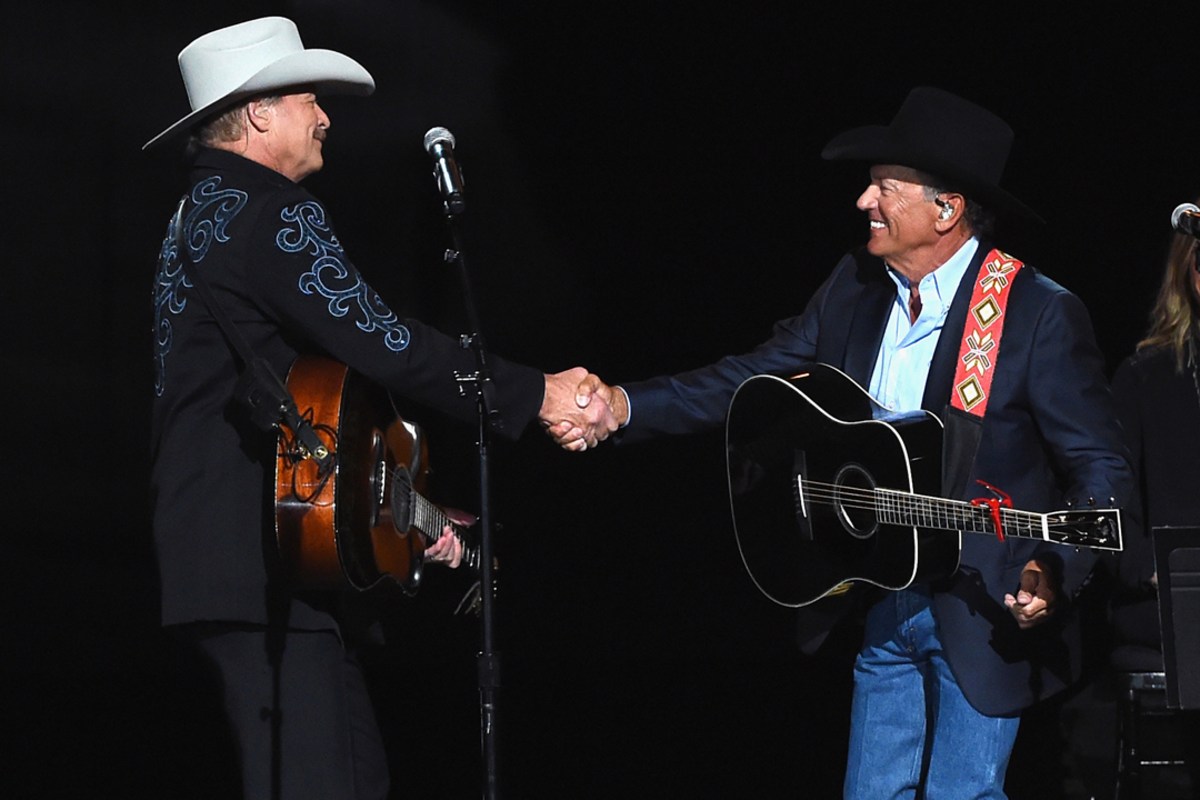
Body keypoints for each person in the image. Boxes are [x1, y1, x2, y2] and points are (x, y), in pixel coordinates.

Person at [555, 87, 1134, 798]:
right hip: (881, 596)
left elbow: (1099, 465)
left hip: (983, 609)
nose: (865, 201)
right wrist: (622, 405)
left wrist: (1054, 563)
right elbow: (753, 375)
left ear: (946, 209)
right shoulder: (856, 284)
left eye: (886, 186)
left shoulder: (1037, 312)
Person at [145, 16, 617, 800]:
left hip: (245, 557)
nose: (324, 115)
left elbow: (289, 387)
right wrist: (535, 392)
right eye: (306, 98)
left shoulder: (194, 216)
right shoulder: (274, 213)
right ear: (258, 114)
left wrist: (397, 503)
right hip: (264, 562)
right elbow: (385, 342)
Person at [1110, 211, 1200, 790]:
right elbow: (1112, 510)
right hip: (1173, 620)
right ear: (1189, 270)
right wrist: (1159, 574)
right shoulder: (1145, 377)